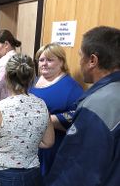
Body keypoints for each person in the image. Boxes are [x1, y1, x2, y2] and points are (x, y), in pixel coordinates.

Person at [46, 26, 120, 186]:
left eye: (81, 56)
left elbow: (76, 172)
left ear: (92, 61)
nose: (79, 63)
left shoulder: (98, 105)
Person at [0, 53, 55, 186]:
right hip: (33, 174)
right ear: (32, 78)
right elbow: (48, 142)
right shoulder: (42, 104)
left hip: (4, 175)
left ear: (6, 77)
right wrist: (26, 142)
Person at [29, 43, 83, 177]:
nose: (44, 64)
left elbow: (78, 116)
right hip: (32, 146)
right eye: (41, 60)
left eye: (50, 60)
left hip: (54, 148)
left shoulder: (71, 87)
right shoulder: (34, 81)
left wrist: (48, 120)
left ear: (61, 62)